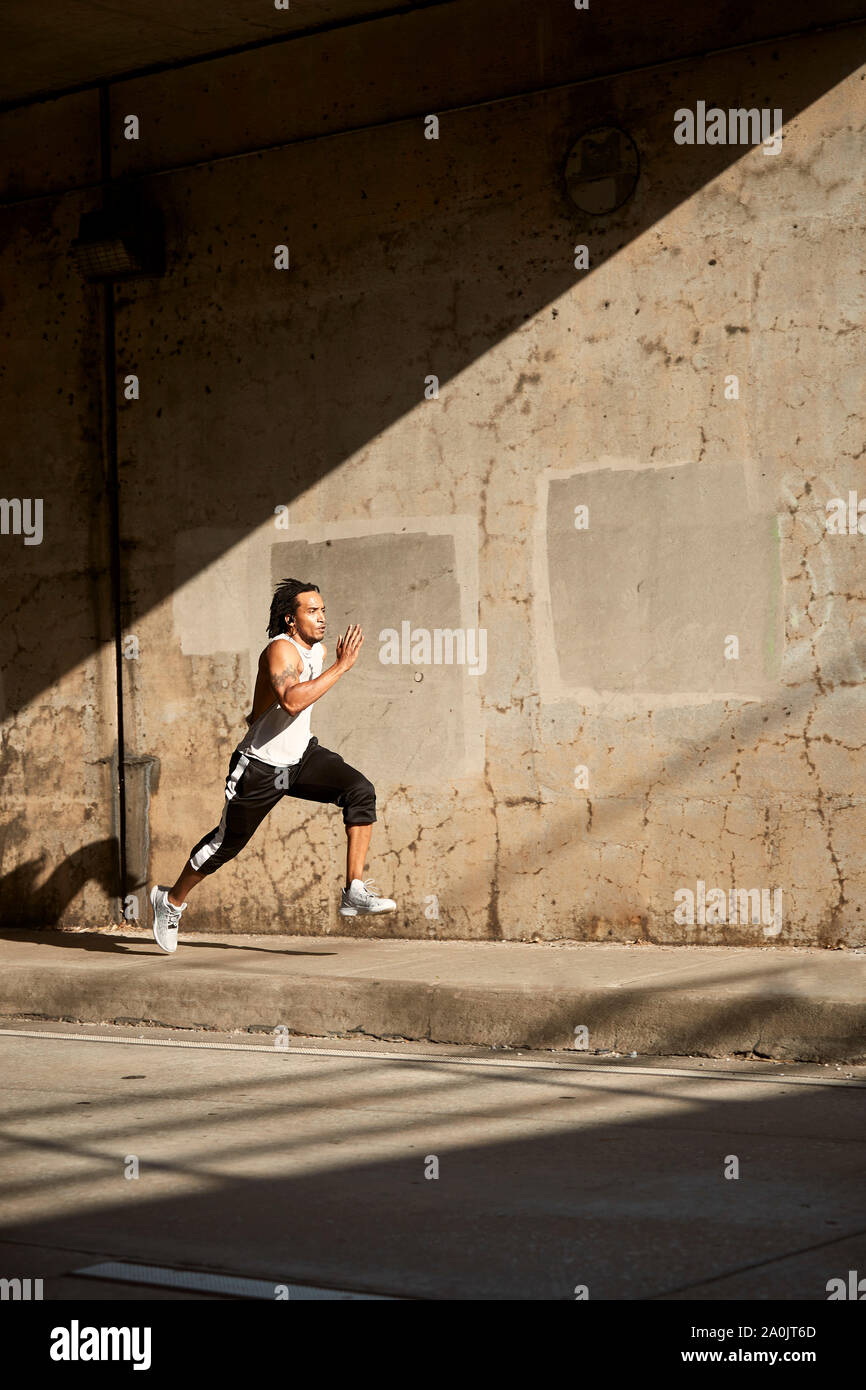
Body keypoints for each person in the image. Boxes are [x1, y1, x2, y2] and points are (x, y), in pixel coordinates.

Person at [149, 578, 395, 952]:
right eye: (312, 611)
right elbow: (293, 702)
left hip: (301, 758)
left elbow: (278, 701)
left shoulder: (319, 652)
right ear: (290, 620)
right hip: (261, 767)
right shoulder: (280, 649)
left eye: (323, 610)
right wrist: (343, 667)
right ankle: (170, 902)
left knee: (360, 791)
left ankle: (354, 890)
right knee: (224, 845)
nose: (322, 618)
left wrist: (257, 710)